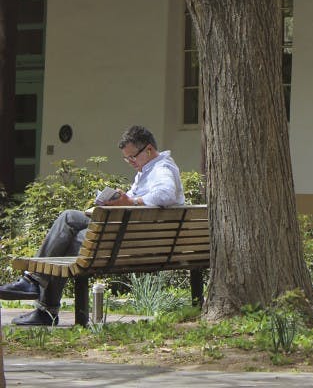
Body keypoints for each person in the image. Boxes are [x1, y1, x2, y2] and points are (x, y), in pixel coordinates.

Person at [0, 124, 185, 327]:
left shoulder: (162, 168)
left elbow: (166, 194)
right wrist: (118, 198)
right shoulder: (147, 170)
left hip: (128, 239)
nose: (130, 162)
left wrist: (131, 202)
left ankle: (39, 294)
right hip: (127, 235)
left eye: (133, 157)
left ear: (149, 149)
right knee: (69, 222)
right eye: (127, 158)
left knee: (68, 235)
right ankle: (37, 291)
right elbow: (142, 197)